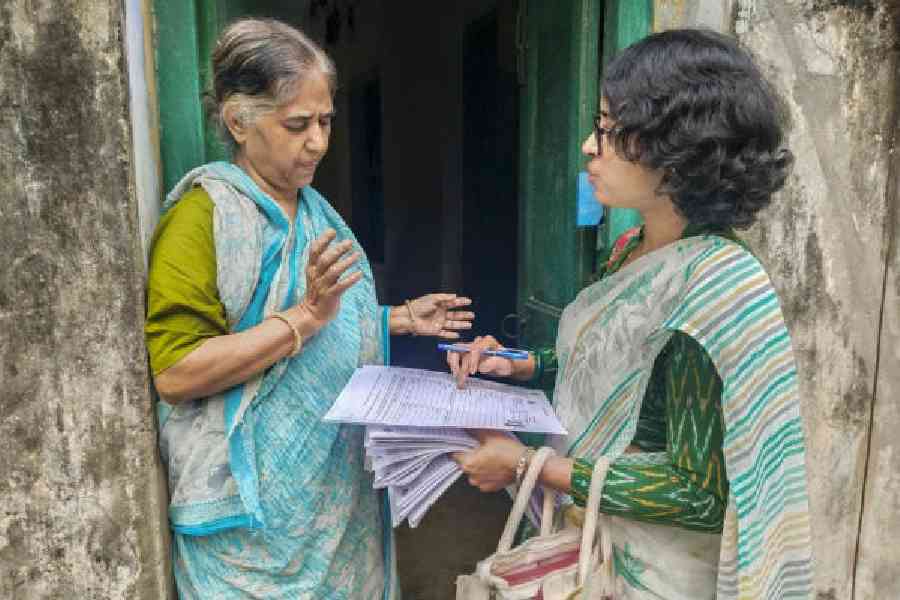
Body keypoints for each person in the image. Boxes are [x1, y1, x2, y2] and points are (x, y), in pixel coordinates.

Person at [449, 29, 813, 599]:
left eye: (611, 132)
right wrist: (520, 365)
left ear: (679, 150)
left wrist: (529, 466)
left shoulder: (712, 288)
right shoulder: (631, 250)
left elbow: (698, 490)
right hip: (593, 547)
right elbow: (613, 367)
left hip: (652, 575)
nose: (589, 146)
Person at [145, 18, 474, 599]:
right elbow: (176, 372)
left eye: (325, 122)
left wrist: (392, 319)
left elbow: (326, 325)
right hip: (248, 527)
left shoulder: (316, 212)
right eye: (297, 124)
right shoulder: (203, 217)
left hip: (334, 506)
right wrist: (305, 319)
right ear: (238, 122)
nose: (318, 142)